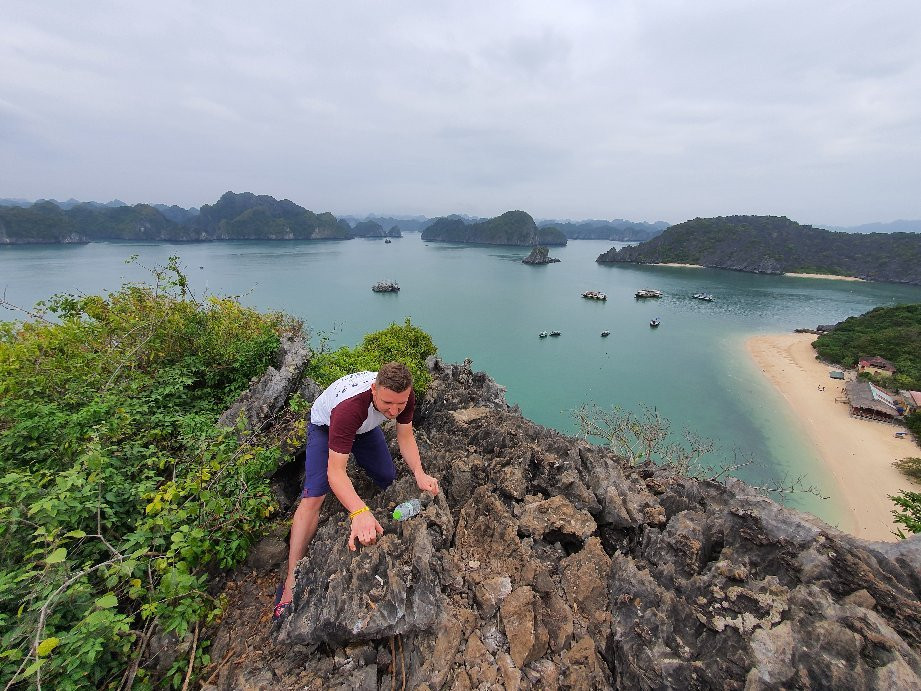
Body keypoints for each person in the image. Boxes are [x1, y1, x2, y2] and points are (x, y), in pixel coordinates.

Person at [273, 361, 439, 620]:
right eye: (387, 403)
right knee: (314, 495)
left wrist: (419, 472)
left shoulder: (402, 395)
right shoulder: (349, 408)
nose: (393, 411)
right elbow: (336, 472)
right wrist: (359, 512)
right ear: (374, 390)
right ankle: (290, 582)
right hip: (326, 427)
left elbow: (405, 436)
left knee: (387, 476)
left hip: (364, 428)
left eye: (400, 404)